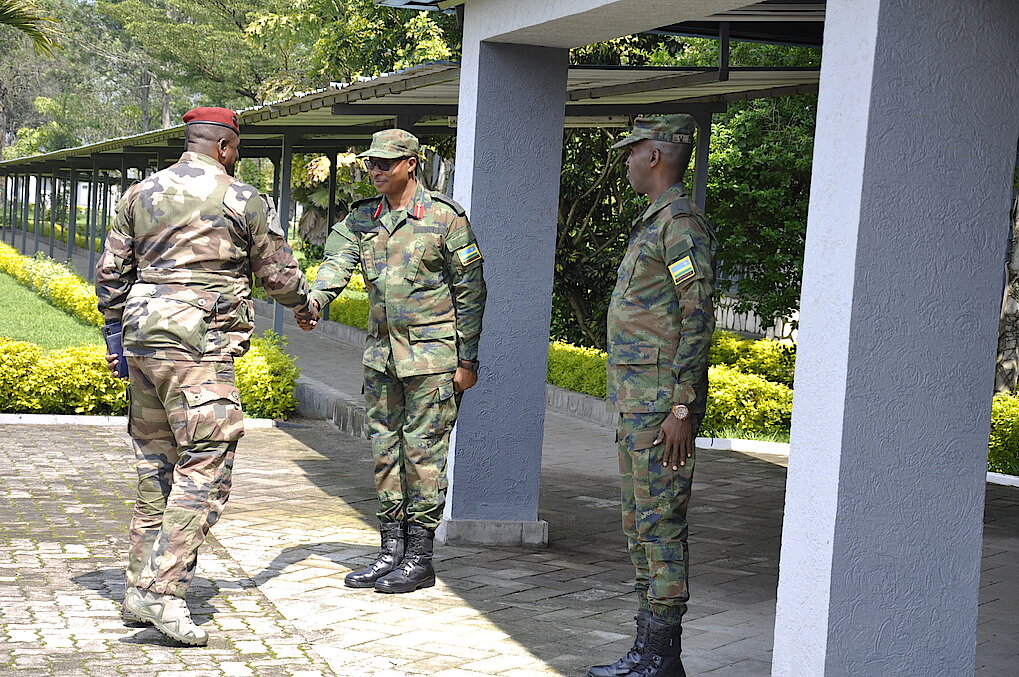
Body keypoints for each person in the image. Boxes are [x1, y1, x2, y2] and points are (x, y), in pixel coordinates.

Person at [96, 106, 314, 645]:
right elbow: (278, 275)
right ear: (223, 146)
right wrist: (305, 305)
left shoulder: (139, 193)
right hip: (199, 346)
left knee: (156, 466)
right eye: (235, 149)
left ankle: (137, 587)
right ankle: (164, 592)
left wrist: (115, 336)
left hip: (143, 340)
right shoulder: (242, 198)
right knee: (206, 467)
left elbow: (111, 273)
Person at [297, 128, 486, 594]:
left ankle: (420, 558)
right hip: (382, 360)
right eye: (371, 163)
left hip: (432, 362)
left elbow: (471, 291)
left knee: (423, 456)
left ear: (410, 164)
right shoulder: (364, 218)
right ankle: (391, 551)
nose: (376, 171)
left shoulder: (444, 217)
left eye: (385, 163)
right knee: (385, 453)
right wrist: (315, 300)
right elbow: (335, 264)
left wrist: (468, 360)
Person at [588, 115, 717, 677]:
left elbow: (698, 316)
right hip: (639, 402)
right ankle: (647, 649)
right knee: (639, 522)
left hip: (663, 406)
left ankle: (662, 656)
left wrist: (682, 407)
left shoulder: (681, 225)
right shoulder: (656, 221)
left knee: (660, 524)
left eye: (633, 151)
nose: (627, 161)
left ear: (656, 157)